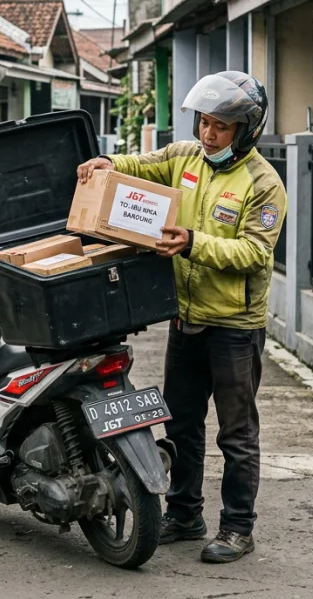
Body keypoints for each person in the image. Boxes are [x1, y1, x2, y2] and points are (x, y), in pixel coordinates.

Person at [76, 71, 286, 564]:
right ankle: (185, 513)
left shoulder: (263, 184)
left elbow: (255, 253)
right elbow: (145, 163)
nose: (208, 134)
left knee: (236, 434)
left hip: (235, 326)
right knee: (183, 424)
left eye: (220, 127)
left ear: (247, 130)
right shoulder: (186, 157)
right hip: (185, 318)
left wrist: (193, 243)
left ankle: (237, 528)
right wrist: (108, 163)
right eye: (204, 123)